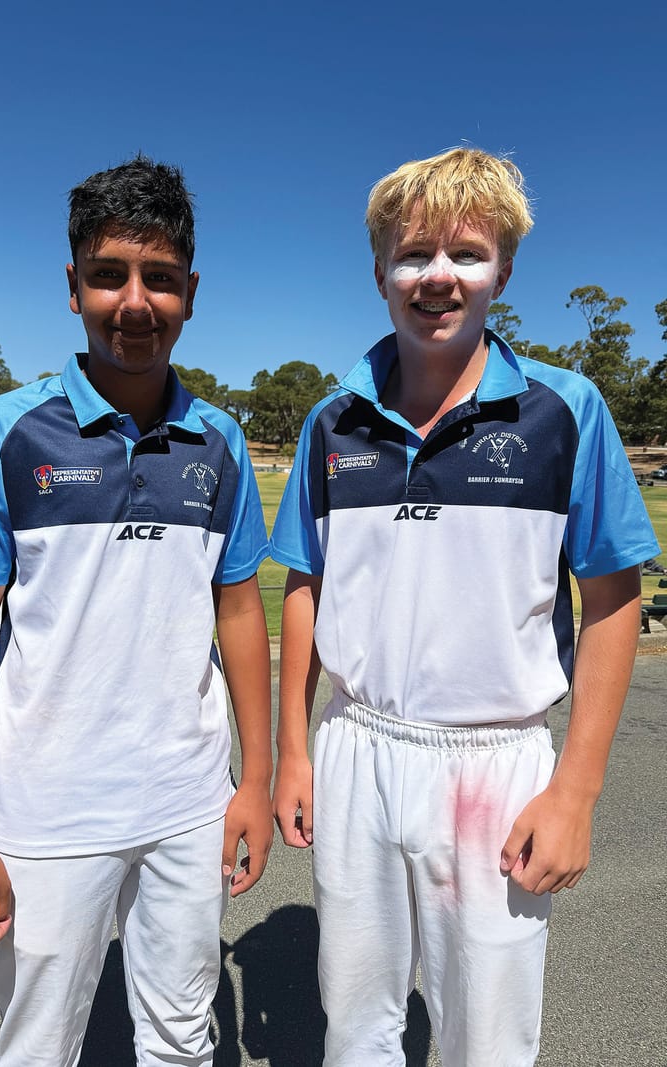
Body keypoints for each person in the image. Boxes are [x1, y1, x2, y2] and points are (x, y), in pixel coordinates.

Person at [270, 147, 660, 1066]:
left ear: (503, 272)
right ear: (379, 272)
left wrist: (576, 791)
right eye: (412, 255)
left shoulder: (567, 410)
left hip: (496, 761)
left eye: (467, 254)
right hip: (357, 744)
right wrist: (293, 750)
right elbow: (306, 584)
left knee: (487, 1037)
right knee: (355, 1025)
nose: (437, 276)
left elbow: (612, 600)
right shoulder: (332, 420)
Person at [0, 155, 274, 1067]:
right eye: (110, 274)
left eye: (160, 278)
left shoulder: (221, 441)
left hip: (189, 799)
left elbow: (239, 613)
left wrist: (257, 781)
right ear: (74, 287)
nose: (135, 302)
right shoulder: (5, 431)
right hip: (46, 808)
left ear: (191, 293)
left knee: (183, 1039)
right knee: (36, 1047)